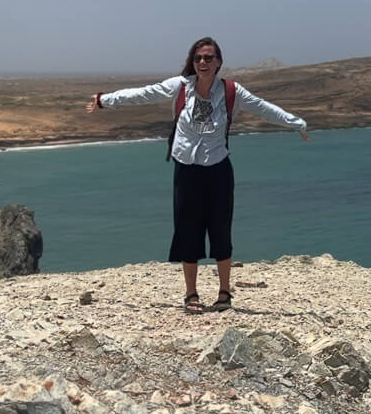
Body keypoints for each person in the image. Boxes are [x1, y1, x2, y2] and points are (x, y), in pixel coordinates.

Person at [86, 37, 309, 313]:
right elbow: (143, 93)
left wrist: (296, 123)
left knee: (220, 229)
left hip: (218, 169)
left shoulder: (231, 91)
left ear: (218, 62)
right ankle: (191, 294)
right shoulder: (180, 87)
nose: (203, 62)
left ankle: (224, 293)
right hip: (187, 170)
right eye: (198, 58)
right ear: (192, 62)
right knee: (187, 230)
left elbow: (263, 107)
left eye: (208, 58)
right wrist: (104, 100)